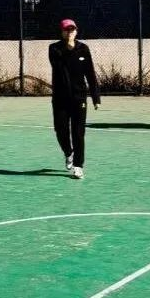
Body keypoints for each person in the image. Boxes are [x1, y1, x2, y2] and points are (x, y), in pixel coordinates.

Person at [48, 19, 100, 180]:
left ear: (76, 31)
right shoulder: (54, 49)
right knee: (60, 130)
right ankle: (68, 152)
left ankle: (78, 166)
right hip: (60, 98)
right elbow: (58, 66)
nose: (70, 32)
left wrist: (96, 97)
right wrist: (69, 48)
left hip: (79, 97)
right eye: (67, 30)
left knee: (78, 133)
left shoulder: (84, 49)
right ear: (62, 32)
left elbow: (90, 73)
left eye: (72, 29)